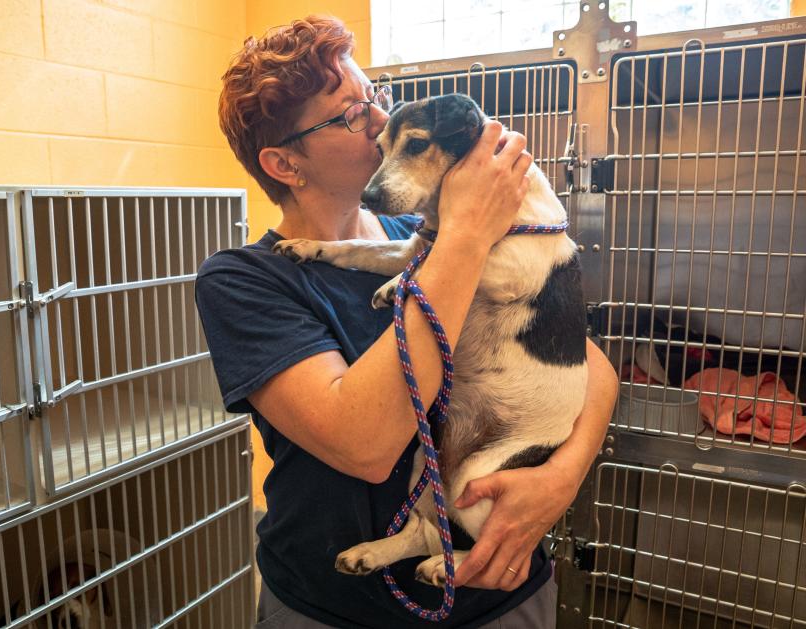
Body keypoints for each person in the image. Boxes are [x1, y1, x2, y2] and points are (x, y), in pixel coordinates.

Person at [196, 15, 619, 629]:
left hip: (500, 595)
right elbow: (365, 445)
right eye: (349, 114)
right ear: (286, 165)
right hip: (331, 611)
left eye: (376, 98)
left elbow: (589, 362)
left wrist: (562, 475)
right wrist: (468, 237)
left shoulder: (421, 233)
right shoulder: (245, 280)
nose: (378, 122)